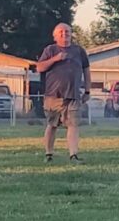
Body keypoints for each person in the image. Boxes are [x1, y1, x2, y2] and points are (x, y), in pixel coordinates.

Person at [36, 23, 91, 164]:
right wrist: (55, 59)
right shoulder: (50, 50)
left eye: (67, 31)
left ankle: (73, 155)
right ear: (55, 36)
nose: (64, 34)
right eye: (60, 32)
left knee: (73, 124)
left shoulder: (79, 51)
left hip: (73, 95)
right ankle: (49, 154)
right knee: (52, 125)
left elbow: (86, 71)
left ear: (71, 34)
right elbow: (39, 67)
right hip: (53, 95)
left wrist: (87, 90)